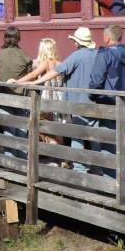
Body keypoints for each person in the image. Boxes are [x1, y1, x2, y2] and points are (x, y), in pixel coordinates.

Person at [39, 27, 100, 169]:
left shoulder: (77, 55)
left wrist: (33, 83)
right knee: (96, 138)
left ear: (77, 42)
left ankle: (79, 169)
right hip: (96, 104)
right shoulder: (97, 55)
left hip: (77, 103)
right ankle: (98, 168)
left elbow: (57, 71)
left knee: (77, 137)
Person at [88, 25, 125, 176]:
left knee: (109, 145)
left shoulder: (105, 54)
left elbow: (96, 80)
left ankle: (112, 185)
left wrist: (93, 96)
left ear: (107, 38)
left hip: (109, 104)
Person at [0, 26, 32, 151]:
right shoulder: (25, 57)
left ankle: (10, 162)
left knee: (9, 131)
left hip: (3, 98)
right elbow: (29, 79)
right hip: (22, 99)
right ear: (18, 38)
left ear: (5, 38)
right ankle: (23, 162)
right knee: (22, 131)